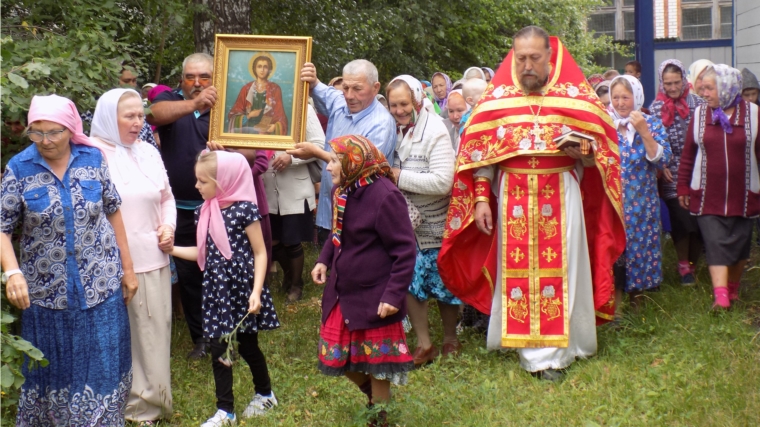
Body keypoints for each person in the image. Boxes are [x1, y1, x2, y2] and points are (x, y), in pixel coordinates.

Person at [437, 26, 625, 381]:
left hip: (562, 193)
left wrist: (584, 152)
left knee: (562, 268)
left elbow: (601, 154)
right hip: (513, 196)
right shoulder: (497, 101)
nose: (526, 66)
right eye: (520, 58)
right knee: (517, 270)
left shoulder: (575, 97)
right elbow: (481, 155)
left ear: (549, 57)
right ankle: (530, 347)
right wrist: (480, 199)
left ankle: (555, 352)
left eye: (534, 58)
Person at [1, 94, 137, 425]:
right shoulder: (19, 168)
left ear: (71, 128)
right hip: (47, 296)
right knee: (52, 373)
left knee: (103, 369)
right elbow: (2, 227)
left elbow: (113, 210)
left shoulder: (93, 158)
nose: (45, 141)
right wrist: (13, 273)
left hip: (100, 286)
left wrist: (128, 269)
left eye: (54, 132)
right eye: (37, 133)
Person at [311, 135, 416, 427]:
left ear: (353, 162)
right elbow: (337, 232)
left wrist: (393, 296)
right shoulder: (344, 191)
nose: (329, 167)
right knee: (336, 357)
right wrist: (323, 260)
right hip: (343, 290)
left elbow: (405, 251)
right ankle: (374, 399)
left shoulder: (385, 196)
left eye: (334, 161)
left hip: (375, 295)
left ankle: (379, 418)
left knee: (377, 364)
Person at [169, 150, 280, 426]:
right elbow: (204, 252)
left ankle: (265, 393)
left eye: (202, 182)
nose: (196, 186)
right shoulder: (203, 211)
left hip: (242, 289)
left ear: (223, 183)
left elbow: (260, 253)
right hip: (217, 291)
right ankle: (225, 410)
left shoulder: (244, 209)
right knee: (219, 348)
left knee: (248, 346)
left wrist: (256, 292)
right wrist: (172, 249)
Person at [90, 88, 176, 423]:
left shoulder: (148, 151)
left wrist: (168, 226)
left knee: (153, 334)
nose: (137, 122)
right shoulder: (91, 154)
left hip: (153, 256)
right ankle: (110, 402)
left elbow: (166, 197)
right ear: (110, 117)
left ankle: (147, 406)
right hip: (107, 263)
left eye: (141, 115)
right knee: (113, 339)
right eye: (129, 116)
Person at [147, 52, 218, 359]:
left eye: (205, 77)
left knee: (221, 271)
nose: (197, 83)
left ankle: (227, 333)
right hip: (181, 209)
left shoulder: (230, 104)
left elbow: (251, 153)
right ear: (182, 80)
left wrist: (227, 152)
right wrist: (195, 104)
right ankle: (200, 339)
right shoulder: (170, 99)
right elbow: (155, 113)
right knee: (189, 276)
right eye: (191, 77)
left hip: (219, 207)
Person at [385, 75, 458, 364]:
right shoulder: (395, 129)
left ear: (417, 100)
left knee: (443, 281)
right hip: (405, 222)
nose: (399, 110)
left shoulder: (435, 130)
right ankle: (424, 343)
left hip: (435, 221)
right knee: (409, 279)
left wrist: (398, 176)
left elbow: (443, 182)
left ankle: (451, 339)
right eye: (393, 105)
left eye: (404, 104)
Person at [677, 64, 760, 310]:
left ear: (726, 87)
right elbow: (687, 155)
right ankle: (721, 296)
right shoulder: (700, 115)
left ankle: (732, 288)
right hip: (706, 195)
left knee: (740, 248)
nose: (704, 93)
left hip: (744, 196)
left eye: (709, 88)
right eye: (702, 88)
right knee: (714, 243)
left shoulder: (754, 115)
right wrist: (683, 187)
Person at [300, 59, 397, 247]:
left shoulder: (381, 124)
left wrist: (317, 153)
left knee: (355, 268)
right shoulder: (341, 103)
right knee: (330, 268)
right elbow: (324, 92)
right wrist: (312, 80)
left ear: (375, 87)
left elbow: (360, 168)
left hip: (360, 217)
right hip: (331, 211)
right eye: (345, 88)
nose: (349, 95)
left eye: (357, 89)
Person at [608, 75, 671, 312]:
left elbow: (663, 159)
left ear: (637, 97)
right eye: (616, 97)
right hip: (612, 202)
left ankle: (637, 303)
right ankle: (615, 306)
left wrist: (644, 131)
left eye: (626, 97)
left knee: (640, 248)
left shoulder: (651, 123)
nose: (621, 102)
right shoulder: (604, 124)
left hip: (641, 202)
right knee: (615, 250)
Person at [649, 59, 706, 286]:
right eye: (667, 83)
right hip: (671, 172)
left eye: (676, 82)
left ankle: (694, 264)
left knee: (699, 220)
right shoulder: (655, 109)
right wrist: (661, 165)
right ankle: (684, 266)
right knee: (682, 219)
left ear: (684, 79)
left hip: (699, 171)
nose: (672, 88)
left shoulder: (699, 104)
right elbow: (651, 143)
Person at [264, 104, 326, 302]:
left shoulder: (302, 107)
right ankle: (289, 275)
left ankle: (296, 284)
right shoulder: (255, 106)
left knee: (292, 239)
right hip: (266, 184)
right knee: (272, 239)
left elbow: (319, 145)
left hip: (294, 185)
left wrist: (292, 158)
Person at [227, 53, 288, 135]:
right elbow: (233, 115)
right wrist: (249, 116)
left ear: (269, 69)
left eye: (265, 67)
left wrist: (274, 126)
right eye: (259, 66)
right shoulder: (246, 89)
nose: (262, 70)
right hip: (247, 132)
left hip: (265, 134)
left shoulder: (275, 89)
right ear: (254, 69)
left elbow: (280, 116)